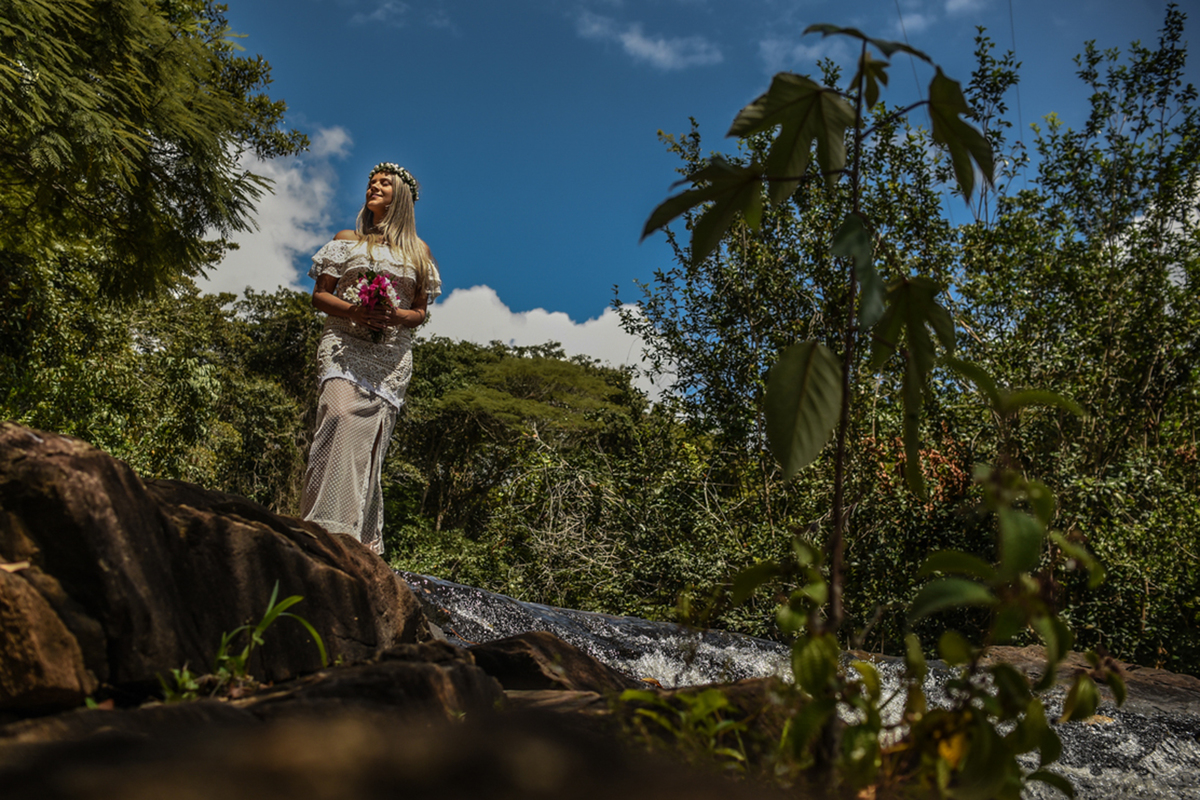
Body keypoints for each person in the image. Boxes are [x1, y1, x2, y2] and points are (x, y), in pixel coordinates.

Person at [300, 162, 441, 554]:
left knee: (368, 441)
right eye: (371, 182)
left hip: (389, 356)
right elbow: (319, 296)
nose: (373, 187)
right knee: (338, 416)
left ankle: (356, 539)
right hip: (343, 344)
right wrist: (355, 311)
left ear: (402, 197)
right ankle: (320, 526)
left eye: (383, 183)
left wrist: (395, 315)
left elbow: (419, 311)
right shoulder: (346, 241)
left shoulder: (419, 252)